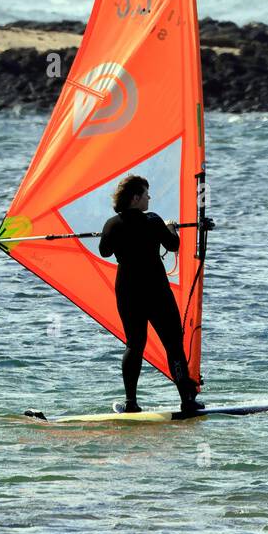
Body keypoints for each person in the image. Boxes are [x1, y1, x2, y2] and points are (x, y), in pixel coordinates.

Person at [99, 174, 203, 414]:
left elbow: (105, 251)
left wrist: (112, 236)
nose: (149, 198)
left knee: (134, 345)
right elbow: (173, 245)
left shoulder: (112, 224)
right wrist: (170, 228)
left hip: (128, 292)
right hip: (156, 292)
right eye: (146, 194)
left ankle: (131, 403)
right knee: (173, 345)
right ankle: (187, 400)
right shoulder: (154, 220)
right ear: (136, 198)